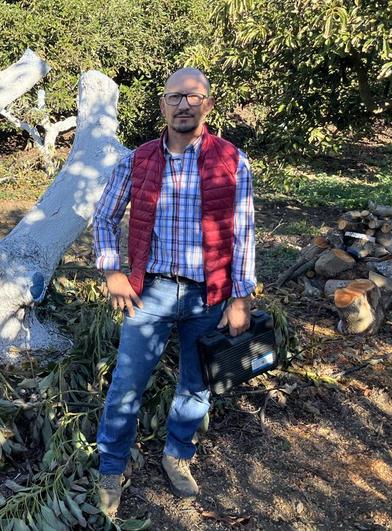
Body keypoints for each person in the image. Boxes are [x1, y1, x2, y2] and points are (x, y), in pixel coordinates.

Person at [92, 67, 256, 517]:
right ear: (162, 105)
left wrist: (240, 299)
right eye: (174, 97)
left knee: (196, 385)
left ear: (209, 104)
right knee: (127, 384)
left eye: (193, 97)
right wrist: (111, 271)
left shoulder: (232, 160)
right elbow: (104, 217)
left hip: (210, 295)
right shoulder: (137, 159)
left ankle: (177, 454)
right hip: (152, 294)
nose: (184, 104)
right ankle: (112, 466)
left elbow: (244, 233)